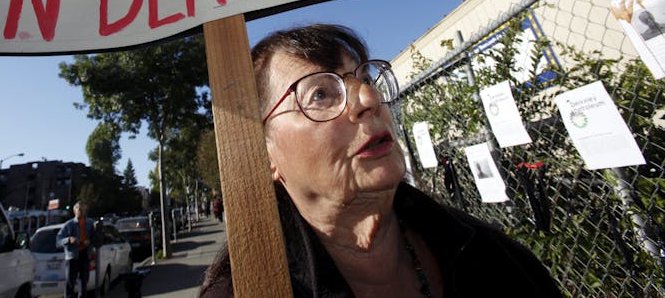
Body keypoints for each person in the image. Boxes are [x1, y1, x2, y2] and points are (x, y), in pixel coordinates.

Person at [199, 24, 563, 297]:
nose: (368, 99)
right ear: (266, 155)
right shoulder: (244, 292)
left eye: (365, 79)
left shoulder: (488, 255)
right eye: (321, 93)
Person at [57, 202, 95, 298]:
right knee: (70, 282)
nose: (82, 212)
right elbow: (58, 240)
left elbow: (95, 238)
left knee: (84, 281)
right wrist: (69, 240)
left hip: (85, 254)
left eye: (84, 210)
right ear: (75, 211)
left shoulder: (90, 223)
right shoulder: (69, 224)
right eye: (80, 210)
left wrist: (90, 240)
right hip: (72, 256)